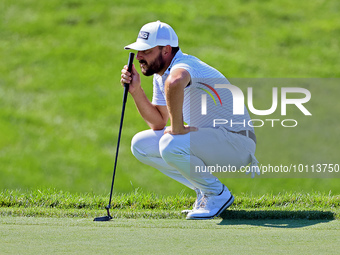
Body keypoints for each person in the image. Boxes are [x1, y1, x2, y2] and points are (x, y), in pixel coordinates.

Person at [120, 21, 258, 220]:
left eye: (146, 51)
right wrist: (136, 91)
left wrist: (176, 129)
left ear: (166, 50)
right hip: (213, 141)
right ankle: (205, 191)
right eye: (138, 51)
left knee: (170, 143)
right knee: (140, 145)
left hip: (237, 144)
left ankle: (216, 194)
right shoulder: (161, 76)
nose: (139, 57)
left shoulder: (183, 66)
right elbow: (158, 122)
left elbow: (175, 82)